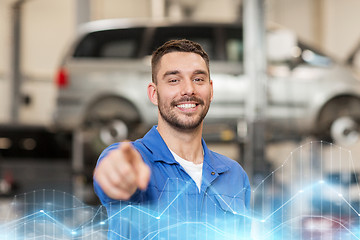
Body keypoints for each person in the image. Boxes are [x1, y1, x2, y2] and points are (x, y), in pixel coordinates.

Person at [93, 39, 252, 239]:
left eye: (198, 79)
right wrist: (117, 173)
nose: (188, 89)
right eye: (174, 80)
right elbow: (113, 174)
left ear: (211, 90)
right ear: (154, 93)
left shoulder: (234, 175)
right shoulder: (134, 159)